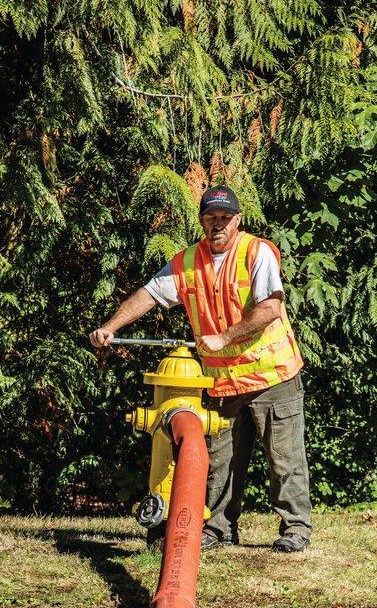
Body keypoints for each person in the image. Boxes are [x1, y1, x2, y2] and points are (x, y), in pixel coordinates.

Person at [89, 185, 312, 552]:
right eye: (211, 218)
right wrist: (111, 327)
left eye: (225, 217)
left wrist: (224, 338)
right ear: (202, 221)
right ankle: (219, 529)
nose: (218, 224)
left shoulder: (257, 252)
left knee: (285, 459)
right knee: (221, 461)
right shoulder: (187, 262)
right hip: (223, 382)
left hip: (272, 376)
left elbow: (270, 308)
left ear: (238, 220)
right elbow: (148, 294)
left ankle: (296, 529)